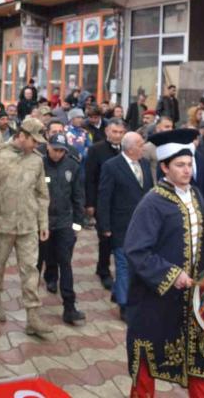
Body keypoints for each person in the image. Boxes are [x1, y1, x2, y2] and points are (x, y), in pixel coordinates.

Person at [124, 129, 204, 396]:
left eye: (189, 164)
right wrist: (171, 274)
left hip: (194, 299)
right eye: (180, 165)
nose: (187, 170)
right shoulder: (152, 202)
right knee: (148, 361)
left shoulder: (195, 194)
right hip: (157, 301)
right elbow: (136, 251)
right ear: (164, 167)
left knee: (201, 361)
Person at [0, 118, 53, 337]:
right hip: (2, 224)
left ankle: (33, 315)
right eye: (34, 141)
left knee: (30, 269)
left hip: (28, 224)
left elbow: (42, 193)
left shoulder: (37, 160)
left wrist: (43, 222)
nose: (36, 145)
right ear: (22, 135)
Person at [97, 132, 153, 323]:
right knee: (123, 265)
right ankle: (124, 305)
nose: (143, 147)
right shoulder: (112, 166)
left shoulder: (145, 164)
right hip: (121, 225)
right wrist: (104, 226)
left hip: (143, 225)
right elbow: (104, 197)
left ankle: (120, 292)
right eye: (140, 144)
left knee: (138, 264)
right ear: (130, 148)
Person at [37, 134, 86, 325]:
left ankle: (69, 307)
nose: (58, 154)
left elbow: (78, 197)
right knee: (36, 264)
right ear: (48, 147)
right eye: (55, 149)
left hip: (64, 223)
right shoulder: (39, 164)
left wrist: (77, 225)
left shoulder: (72, 166)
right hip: (42, 223)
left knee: (65, 264)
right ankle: (32, 307)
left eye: (61, 150)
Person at [84, 119, 127, 290]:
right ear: (107, 131)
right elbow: (90, 178)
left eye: (121, 132)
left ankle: (121, 268)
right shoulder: (96, 149)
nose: (117, 135)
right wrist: (90, 203)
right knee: (105, 237)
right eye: (114, 132)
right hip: (102, 201)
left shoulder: (127, 149)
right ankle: (103, 269)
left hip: (122, 202)